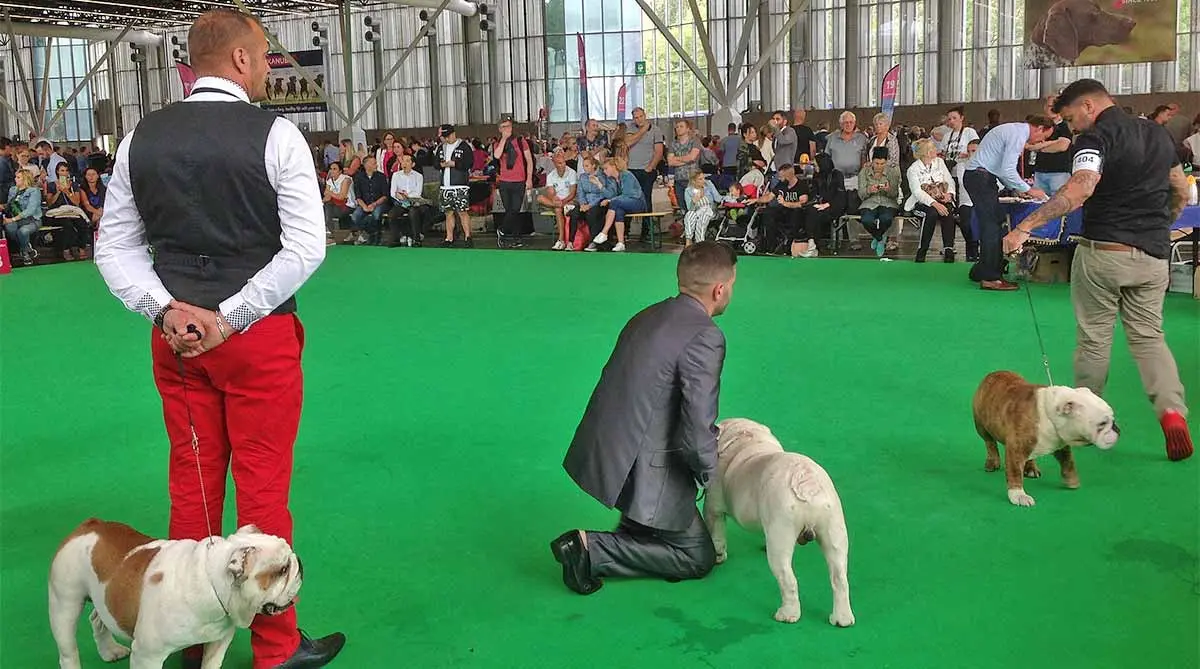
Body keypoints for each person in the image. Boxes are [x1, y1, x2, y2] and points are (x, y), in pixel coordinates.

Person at [93, 10, 345, 669]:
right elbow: (304, 249)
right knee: (263, 492)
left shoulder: (139, 139)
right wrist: (231, 315)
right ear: (238, 60)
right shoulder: (279, 136)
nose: (268, 68)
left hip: (176, 342)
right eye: (263, 57)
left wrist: (166, 310)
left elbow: (114, 248)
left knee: (193, 486)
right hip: (257, 340)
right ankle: (276, 646)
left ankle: (190, 636)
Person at [1002, 78, 1193, 462]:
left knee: (1094, 340)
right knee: (1149, 339)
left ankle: (1085, 422)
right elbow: (1181, 189)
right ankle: (1172, 414)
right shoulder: (1158, 133)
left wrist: (1025, 226)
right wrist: (1161, 226)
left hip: (1104, 252)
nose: (1071, 128)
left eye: (1072, 118)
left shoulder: (1094, 139)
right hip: (1153, 257)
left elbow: (1080, 189)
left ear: (1089, 106)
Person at [552, 241, 736, 594]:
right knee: (697, 557)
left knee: (660, 529)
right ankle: (588, 549)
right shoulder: (706, 336)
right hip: (648, 462)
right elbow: (698, 423)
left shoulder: (647, 314)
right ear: (720, 289)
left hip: (608, 449)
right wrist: (712, 475)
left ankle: (637, 530)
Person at [962, 114, 1054, 290]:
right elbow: (1008, 169)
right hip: (980, 177)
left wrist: (1018, 188)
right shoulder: (1018, 135)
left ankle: (982, 270)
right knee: (991, 226)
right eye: (1044, 136)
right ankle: (991, 277)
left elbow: (1001, 169)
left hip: (979, 176)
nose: (1039, 141)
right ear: (1040, 128)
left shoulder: (1012, 129)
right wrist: (1029, 189)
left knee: (995, 221)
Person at [588, 158, 646, 253]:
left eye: (606, 168)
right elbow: (611, 195)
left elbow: (628, 194)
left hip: (637, 202)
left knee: (614, 203)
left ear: (614, 166)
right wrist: (598, 184)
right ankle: (621, 243)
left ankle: (604, 232)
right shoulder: (613, 180)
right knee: (618, 210)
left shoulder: (627, 175)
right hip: (623, 203)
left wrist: (611, 200)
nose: (604, 171)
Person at [493, 117, 534, 248]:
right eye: (504, 127)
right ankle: (516, 238)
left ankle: (503, 230)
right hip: (505, 181)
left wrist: (529, 178)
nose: (507, 129)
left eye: (509, 126)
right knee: (509, 210)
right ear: (500, 129)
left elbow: (529, 160)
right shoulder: (498, 143)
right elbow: (496, 155)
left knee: (515, 209)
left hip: (519, 180)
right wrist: (504, 139)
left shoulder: (521, 141)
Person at [857, 146, 901, 259]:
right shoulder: (864, 171)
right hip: (869, 202)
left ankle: (879, 239)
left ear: (886, 162)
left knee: (886, 218)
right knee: (866, 220)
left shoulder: (893, 171)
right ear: (872, 161)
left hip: (888, 202)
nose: (879, 167)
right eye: (876, 163)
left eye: (882, 164)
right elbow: (861, 194)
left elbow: (895, 194)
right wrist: (869, 190)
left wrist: (888, 190)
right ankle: (879, 238)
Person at [437, 123, 474, 247]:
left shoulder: (464, 146)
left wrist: (455, 164)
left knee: (462, 211)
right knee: (448, 212)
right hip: (445, 186)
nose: (446, 139)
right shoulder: (441, 147)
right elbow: (435, 163)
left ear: (453, 133)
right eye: (444, 136)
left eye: (448, 136)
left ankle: (468, 236)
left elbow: (469, 163)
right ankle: (449, 238)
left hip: (460, 185)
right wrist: (441, 165)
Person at [682, 171, 719, 247]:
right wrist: (694, 201)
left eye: (703, 178)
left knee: (702, 217)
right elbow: (690, 208)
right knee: (689, 215)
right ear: (694, 181)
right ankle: (688, 241)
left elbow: (718, 198)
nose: (703, 180)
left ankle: (699, 243)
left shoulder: (709, 185)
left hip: (709, 210)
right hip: (696, 211)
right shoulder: (688, 191)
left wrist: (731, 198)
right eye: (700, 179)